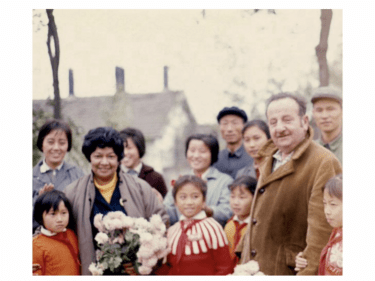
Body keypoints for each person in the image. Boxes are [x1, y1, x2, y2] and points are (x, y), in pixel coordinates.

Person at [236, 92, 342, 275]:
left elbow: (323, 232)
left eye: (287, 120)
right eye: (273, 122)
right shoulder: (269, 157)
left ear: (304, 121)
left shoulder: (322, 161)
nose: (280, 128)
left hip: (288, 271)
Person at [64, 127, 169, 275]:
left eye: (111, 156)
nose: (104, 162)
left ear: (119, 158)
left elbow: (161, 224)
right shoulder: (72, 192)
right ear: (89, 158)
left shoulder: (140, 188)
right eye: (98, 156)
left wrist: (144, 263)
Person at [162, 175, 233, 275]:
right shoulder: (172, 231)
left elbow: (225, 267)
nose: (189, 202)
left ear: (204, 201)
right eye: (183, 197)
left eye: (195, 197)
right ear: (175, 202)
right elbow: (168, 267)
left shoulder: (213, 228)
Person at [163, 134, 233, 227]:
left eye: (202, 151)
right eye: (192, 150)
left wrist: (208, 210)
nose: (196, 156)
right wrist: (159, 203)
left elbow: (228, 211)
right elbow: (170, 212)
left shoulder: (225, 181)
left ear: (213, 154)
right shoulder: (180, 181)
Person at [33, 119, 85, 231]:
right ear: (42, 144)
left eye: (62, 143)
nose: (56, 148)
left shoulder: (78, 175)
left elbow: (83, 213)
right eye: (50, 142)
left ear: (68, 145)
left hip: (70, 240)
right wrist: (40, 202)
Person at [295, 174, 343, 275]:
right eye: (324, 203)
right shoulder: (336, 231)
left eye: (333, 204)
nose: (327, 211)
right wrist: (304, 259)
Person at [33, 190, 80, 275]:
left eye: (64, 213)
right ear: (40, 216)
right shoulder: (36, 245)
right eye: (53, 214)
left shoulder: (71, 234)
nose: (59, 219)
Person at [119, 127, 168, 198]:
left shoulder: (156, 178)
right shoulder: (112, 176)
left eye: (129, 148)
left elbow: (165, 206)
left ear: (140, 148)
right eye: (121, 148)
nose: (125, 153)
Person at [224, 176, 257, 266]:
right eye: (232, 197)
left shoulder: (257, 226)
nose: (235, 202)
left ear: (255, 199)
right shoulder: (229, 225)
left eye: (242, 198)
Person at [213, 106, 253, 179]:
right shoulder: (214, 159)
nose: (229, 129)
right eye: (225, 123)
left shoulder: (253, 156)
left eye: (235, 123)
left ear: (244, 126)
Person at [311, 86, 343, 163]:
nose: (324, 116)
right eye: (319, 110)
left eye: (330, 109)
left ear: (342, 112)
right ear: (313, 114)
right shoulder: (308, 150)